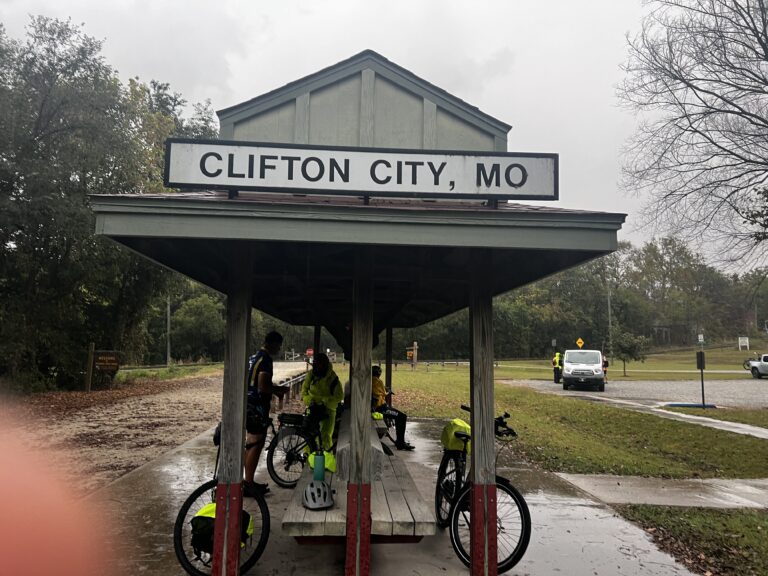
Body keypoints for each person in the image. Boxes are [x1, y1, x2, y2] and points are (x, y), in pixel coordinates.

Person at [244, 331, 286, 496]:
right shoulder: (266, 360)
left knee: (250, 442)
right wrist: (278, 390)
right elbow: (263, 385)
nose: (279, 348)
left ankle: (247, 481)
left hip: (248, 403)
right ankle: (248, 483)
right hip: (257, 406)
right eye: (279, 345)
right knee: (256, 443)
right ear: (274, 343)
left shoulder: (255, 357)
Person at [301, 353, 344, 451]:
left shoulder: (333, 378)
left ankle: (325, 457)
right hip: (312, 407)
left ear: (325, 365)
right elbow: (304, 391)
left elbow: (339, 396)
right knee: (309, 435)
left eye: (319, 365)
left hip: (328, 410)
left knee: (325, 435)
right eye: (315, 364)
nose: (317, 367)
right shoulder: (311, 374)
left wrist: (324, 400)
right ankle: (308, 458)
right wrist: (310, 400)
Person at [371, 365, 414, 451]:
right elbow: (384, 393)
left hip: (376, 408)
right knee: (402, 417)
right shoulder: (378, 381)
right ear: (379, 374)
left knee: (400, 416)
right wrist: (388, 391)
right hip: (381, 409)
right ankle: (400, 443)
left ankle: (400, 441)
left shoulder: (370, 381)